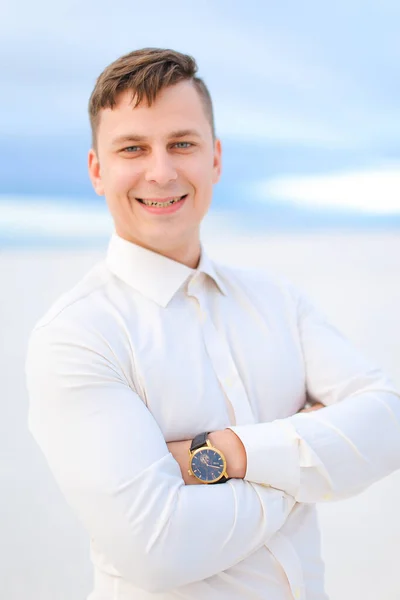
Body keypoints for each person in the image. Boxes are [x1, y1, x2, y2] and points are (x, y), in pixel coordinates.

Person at [25, 48, 400, 600]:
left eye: (182, 143)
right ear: (97, 171)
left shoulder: (277, 300)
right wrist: (309, 463)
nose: (162, 171)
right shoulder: (77, 336)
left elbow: (388, 421)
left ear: (216, 158)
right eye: (133, 148)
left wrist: (227, 454)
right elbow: (158, 550)